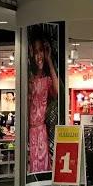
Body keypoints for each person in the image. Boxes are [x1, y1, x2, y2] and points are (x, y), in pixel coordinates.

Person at [28, 33, 59, 174]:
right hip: (30, 131)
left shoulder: (47, 80)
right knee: (33, 166)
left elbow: (57, 92)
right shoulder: (29, 79)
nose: (38, 55)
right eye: (36, 51)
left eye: (41, 50)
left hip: (41, 131)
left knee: (43, 165)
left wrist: (49, 60)